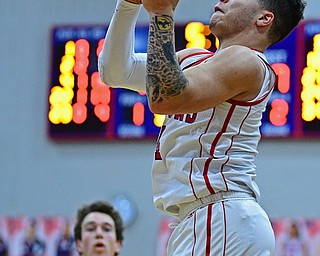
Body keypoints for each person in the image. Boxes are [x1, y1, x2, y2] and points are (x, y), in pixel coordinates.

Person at [98, 0, 306, 255]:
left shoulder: (249, 61)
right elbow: (116, 72)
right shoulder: (194, 58)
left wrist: (162, 12)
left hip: (220, 214)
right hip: (211, 219)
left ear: (264, 19)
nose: (223, 0)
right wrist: (128, 5)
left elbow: (165, 98)